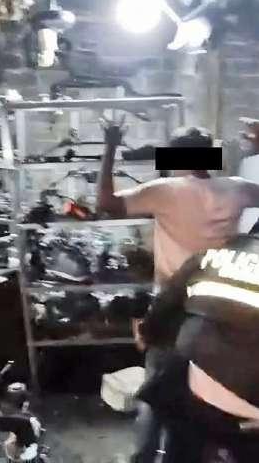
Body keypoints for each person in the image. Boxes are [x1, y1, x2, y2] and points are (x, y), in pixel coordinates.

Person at [97, 120, 259, 463]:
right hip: (211, 308)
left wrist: (110, 145)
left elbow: (106, 203)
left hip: (171, 306)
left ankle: (145, 456)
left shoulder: (166, 190)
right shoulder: (236, 189)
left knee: (157, 391)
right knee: (197, 394)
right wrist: (256, 150)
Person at [138, 234, 259, 462]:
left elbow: (161, 312)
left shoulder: (212, 257)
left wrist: (149, 336)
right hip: (248, 414)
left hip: (197, 395)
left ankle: (154, 453)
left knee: (168, 381)